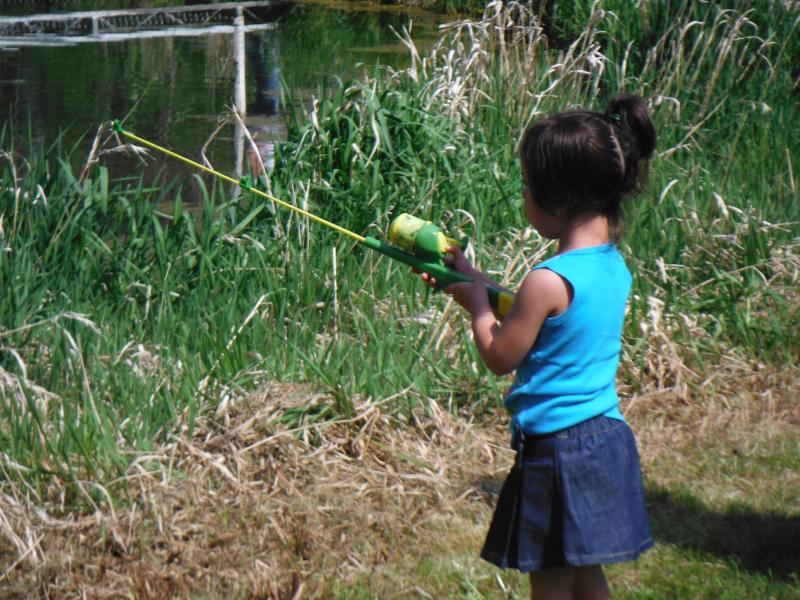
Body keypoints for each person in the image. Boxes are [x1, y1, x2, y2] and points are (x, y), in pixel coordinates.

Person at [421, 94, 657, 599]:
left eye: (528, 186)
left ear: (558, 197)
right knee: (588, 572)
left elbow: (499, 354)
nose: (524, 195)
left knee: (549, 582)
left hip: (558, 454)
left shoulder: (545, 280)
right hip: (606, 440)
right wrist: (470, 282)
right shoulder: (613, 266)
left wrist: (480, 305)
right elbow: (551, 327)